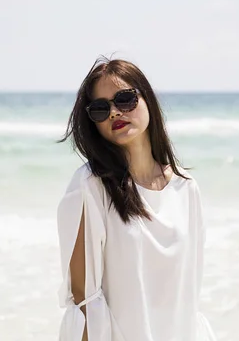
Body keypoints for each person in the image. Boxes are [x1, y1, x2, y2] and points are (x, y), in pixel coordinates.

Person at [56, 57, 216, 340]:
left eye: (125, 99)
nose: (115, 113)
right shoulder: (90, 186)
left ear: (148, 100)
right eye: (100, 109)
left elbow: (189, 297)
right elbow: (84, 302)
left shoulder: (186, 188)